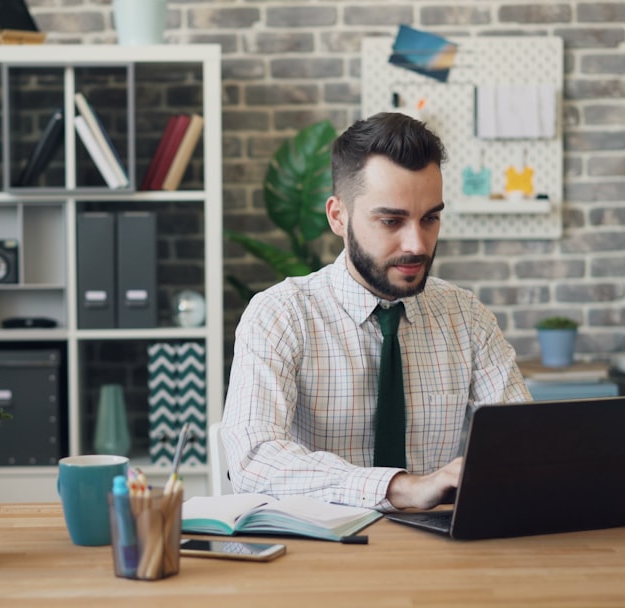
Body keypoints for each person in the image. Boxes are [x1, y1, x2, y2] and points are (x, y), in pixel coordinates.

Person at [220, 112, 531, 512]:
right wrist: (400, 487)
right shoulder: (281, 315)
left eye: (430, 218)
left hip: (443, 557)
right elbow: (254, 459)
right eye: (391, 220)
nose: (417, 244)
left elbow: (524, 445)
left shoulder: (466, 317)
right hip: (321, 557)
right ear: (338, 216)